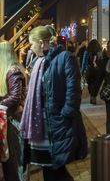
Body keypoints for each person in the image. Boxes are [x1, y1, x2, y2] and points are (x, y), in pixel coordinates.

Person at [21, 26, 87, 181]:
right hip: (42, 124)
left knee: (55, 170)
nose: (31, 47)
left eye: (33, 44)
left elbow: (73, 90)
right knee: (49, 169)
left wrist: (65, 113)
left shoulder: (65, 57)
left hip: (57, 123)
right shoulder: (38, 62)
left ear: (42, 43)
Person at [0, 42, 26, 181]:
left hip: (13, 120)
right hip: (8, 118)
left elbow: (15, 97)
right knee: (8, 159)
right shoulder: (9, 70)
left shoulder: (13, 70)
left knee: (14, 161)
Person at [81, 39, 103, 104]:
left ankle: (92, 95)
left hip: (89, 70)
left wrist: (82, 71)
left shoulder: (87, 51)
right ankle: (94, 96)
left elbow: (84, 62)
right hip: (98, 70)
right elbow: (101, 62)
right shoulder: (100, 52)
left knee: (90, 84)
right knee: (96, 84)